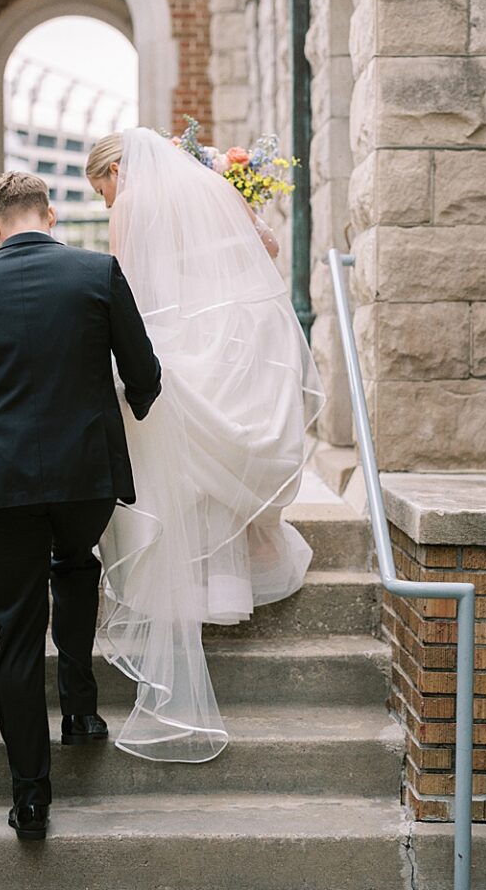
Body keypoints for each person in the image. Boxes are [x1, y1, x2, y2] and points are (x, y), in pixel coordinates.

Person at [86, 127, 325, 763]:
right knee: (211, 463)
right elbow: (267, 246)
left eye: (101, 188)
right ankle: (223, 589)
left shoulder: (134, 204)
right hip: (227, 339)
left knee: (173, 467)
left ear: (116, 171)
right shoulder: (217, 187)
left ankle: (186, 589)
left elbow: (123, 287)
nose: (108, 202)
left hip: (169, 342)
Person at [0, 172, 162, 840]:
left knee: (15, 632)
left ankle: (31, 799)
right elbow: (145, 374)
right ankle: (81, 710)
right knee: (75, 561)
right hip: (86, 474)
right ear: (50, 213)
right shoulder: (98, 272)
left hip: (7, 479)